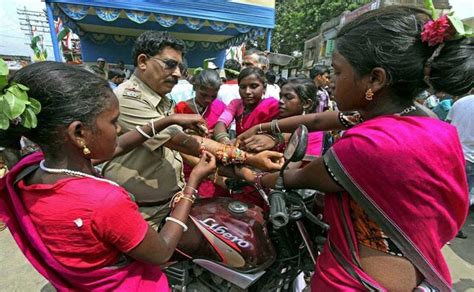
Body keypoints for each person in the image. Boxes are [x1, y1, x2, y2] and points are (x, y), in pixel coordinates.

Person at [237, 6, 471, 290]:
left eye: (337, 71)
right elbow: (321, 119)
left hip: (352, 280)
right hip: (419, 271)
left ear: (375, 79)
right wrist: (264, 127)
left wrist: (243, 174)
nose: (331, 82)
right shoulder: (419, 117)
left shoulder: (368, 144)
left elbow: (293, 177)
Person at [0, 61, 217, 290]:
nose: (120, 129)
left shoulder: (31, 170)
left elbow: (117, 147)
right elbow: (161, 252)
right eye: (113, 122)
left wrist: (167, 121)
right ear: (79, 133)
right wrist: (192, 186)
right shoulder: (104, 202)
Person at [101, 31, 283, 229]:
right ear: (143, 61)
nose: (178, 73)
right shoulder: (129, 98)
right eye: (170, 65)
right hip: (141, 212)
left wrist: (237, 173)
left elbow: (178, 150)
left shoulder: (163, 100)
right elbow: (182, 142)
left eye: (179, 67)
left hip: (167, 204)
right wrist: (248, 159)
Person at [240, 77, 324, 162]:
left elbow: (289, 170)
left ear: (306, 103)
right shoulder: (275, 123)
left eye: (288, 97)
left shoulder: (312, 134)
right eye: (281, 96)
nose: (280, 101)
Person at [174, 69, 228, 198]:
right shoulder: (181, 108)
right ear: (195, 88)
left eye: (213, 96)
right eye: (203, 95)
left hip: (214, 165)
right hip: (187, 165)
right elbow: (174, 142)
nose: (208, 100)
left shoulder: (220, 107)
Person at [213, 67, 279, 144]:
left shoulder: (273, 106)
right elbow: (221, 122)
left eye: (253, 86)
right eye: (243, 87)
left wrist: (275, 139)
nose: (247, 91)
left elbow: (291, 129)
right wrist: (224, 140)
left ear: (264, 88)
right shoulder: (236, 104)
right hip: (241, 151)